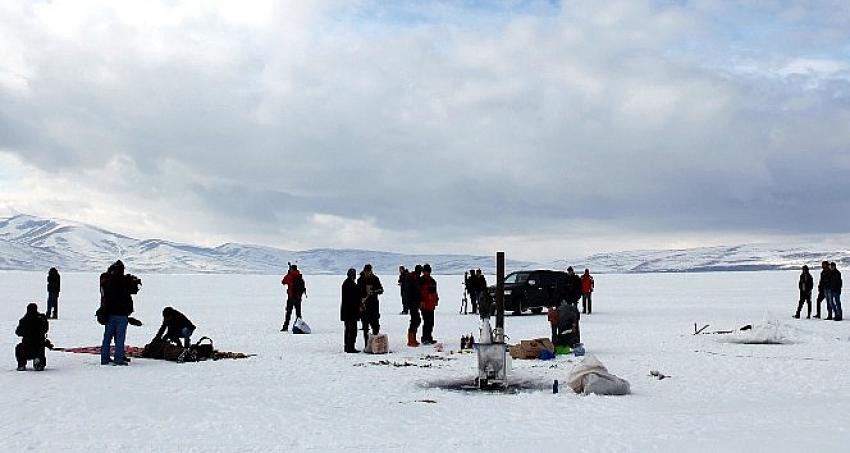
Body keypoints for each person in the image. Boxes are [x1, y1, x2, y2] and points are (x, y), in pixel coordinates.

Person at [100, 260, 139, 366]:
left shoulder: (106, 280)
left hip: (109, 313)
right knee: (120, 337)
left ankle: (104, 358)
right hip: (121, 314)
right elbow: (134, 290)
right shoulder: (124, 281)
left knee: (107, 337)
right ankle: (118, 359)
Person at [15, 303, 50, 371]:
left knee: (19, 347)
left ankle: (21, 364)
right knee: (41, 347)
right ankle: (39, 362)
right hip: (39, 345)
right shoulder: (41, 318)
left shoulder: (24, 320)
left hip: (27, 346)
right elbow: (45, 329)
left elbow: (18, 332)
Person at [357, 264, 384, 348]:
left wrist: (374, 292)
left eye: (369, 271)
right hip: (364, 306)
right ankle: (367, 345)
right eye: (366, 271)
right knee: (365, 327)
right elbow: (358, 293)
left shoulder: (375, 279)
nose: (368, 273)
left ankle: (375, 344)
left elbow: (381, 290)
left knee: (375, 325)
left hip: (374, 306)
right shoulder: (360, 280)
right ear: (364, 271)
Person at [280, 264, 307, 332]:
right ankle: (300, 327)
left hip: (291, 298)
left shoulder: (290, 276)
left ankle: (285, 327)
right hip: (298, 298)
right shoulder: (300, 277)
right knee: (298, 314)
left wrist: (288, 273)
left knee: (288, 313)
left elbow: (283, 282)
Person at [341, 268, 362, 353]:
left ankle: (348, 346)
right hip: (351, 311)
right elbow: (354, 297)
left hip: (347, 311)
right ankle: (350, 347)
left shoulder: (347, 283)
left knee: (348, 329)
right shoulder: (350, 284)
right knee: (352, 330)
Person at [419, 263, 439, 345]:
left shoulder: (432, 280)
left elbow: (434, 292)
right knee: (427, 321)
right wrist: (421, 301)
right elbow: (418, 292)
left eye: (428, 271)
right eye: (426, 271)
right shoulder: (421, 280)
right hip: (424, 304)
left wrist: (436, 300)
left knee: (431, 322)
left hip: (431, 304)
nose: (427, 273)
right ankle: (424, 338)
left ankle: (429, 337)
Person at [404, 265, 423, 347]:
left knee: (416, 320)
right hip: (412, 302)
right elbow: (409, 292)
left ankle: (413, 339)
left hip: (415, 302)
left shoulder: (416, 278)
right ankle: (411, 340)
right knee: (415, 320)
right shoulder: (411, 278)